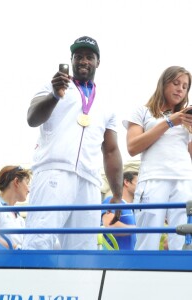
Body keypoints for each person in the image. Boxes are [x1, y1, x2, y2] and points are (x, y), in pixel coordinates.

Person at [22, 36, 123, 250]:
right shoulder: (52, 86)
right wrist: (54, 96)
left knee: (83, 250)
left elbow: (111, 151)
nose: (83, 61)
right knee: (39, 241)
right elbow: (32, 118)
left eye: (89, 57)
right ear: (71, 60)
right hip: (54, 172)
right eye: (78, 57)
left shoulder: (107, 102)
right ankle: (29, 282)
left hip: (90, 180)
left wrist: (117, 194)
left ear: (97, 62)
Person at [123, 66, 192, 250]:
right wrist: (169, 122)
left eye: (185, 86)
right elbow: (132, 147)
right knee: (147, 240)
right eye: (176, 83)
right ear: (163, 83)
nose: (180, 89)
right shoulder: (143, 111)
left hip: (184, 181)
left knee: (183, 242)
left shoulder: (187, 118)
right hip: (153, 179)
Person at [101, 171, 138, 250]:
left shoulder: (136, 208)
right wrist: (139, 229)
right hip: (116, 259)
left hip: (134, 259)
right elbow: (109, 225)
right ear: (126, 182)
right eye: (138, 182)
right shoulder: (111, 201)